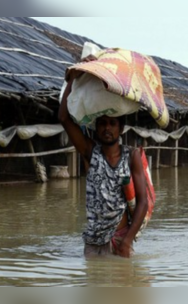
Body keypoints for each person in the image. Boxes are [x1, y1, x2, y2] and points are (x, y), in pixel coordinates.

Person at [59, 72, 148, 258]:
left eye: (112, 123)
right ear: (96, 128)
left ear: (120, 128)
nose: (107, 128)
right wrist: (72, 80)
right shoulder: (90, 152)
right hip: (92, 241)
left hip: (119, 239)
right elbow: (64, 119)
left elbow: (143, 202)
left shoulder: (131, 156)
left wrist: (127, 241)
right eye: (103, 124)